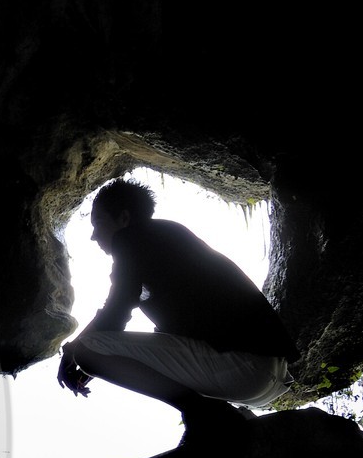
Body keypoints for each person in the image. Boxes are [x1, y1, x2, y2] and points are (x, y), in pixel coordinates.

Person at [57, 178, 296, 439]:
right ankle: (223, 419)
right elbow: (166, 342)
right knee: (94, 348)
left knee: (88, 350)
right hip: (264, 373)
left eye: (98, 223)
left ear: (124, 218)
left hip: (245, 365)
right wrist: (109, 359)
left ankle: (203, 416)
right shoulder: (165, 244)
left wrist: (75, 351)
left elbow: (116, 313)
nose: (93, 236)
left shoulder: (133, 238)